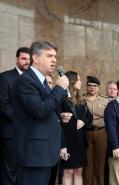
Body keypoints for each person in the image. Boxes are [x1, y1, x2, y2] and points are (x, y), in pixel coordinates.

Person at [11, 41, 69, 185]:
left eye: (55, 56)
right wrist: (59, 88)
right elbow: (39, 110)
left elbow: (45, 108)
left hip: (44, 153)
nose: (54, 60)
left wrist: (57, 116)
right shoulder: (26, 80)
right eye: (49, 56)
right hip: (34, 154)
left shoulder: (40, 81)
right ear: (35, 58)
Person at [0, 47, 30, 185]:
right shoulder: (5, 78)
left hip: (31, 135)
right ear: (16, 59)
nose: (27, 62)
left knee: (25, 171)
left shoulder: (33, 79)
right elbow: (3, 105)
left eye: (29, 59)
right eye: (24, 58)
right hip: (11, 133)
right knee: (10, 170)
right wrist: (23, 121)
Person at [61, 71, 93, 185]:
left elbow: (89, 116)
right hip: (67, 140)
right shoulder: (62, 97)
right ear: (72, 81)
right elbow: (57, 122)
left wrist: (83, 122)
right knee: (68, 172)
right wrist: (62, 146)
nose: (81, 82)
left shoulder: (81, 99)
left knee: (79, 171)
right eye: (79, 80)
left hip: (80, 141)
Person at [83, 76, 109, 185]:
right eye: (90, 85)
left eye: (95, 86)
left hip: (101, 133)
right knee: (87, 163)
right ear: (87, 86)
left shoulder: (105, 100)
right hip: (86, 133)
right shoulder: (81, 99)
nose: (92, 88)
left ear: (98, 87)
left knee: (100, 162)